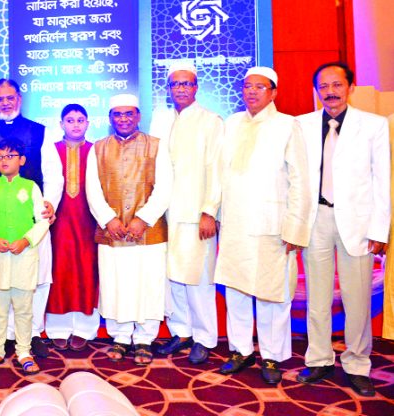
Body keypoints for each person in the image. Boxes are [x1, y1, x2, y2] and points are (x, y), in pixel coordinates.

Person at [209, 67, 311, 385]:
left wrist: (296, 228)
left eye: (260, 87)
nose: (252, 92)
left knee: (272, 293)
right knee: (236, 289)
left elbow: (300, 180)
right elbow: (218, 173)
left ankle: (271, 355)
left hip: (273, 224)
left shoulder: (287, 125)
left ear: (274, 92)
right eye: (247, 86)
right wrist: (211, 211)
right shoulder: (232, 123)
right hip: (236, 222)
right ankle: (240, 350)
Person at [295, 62, 390, 396]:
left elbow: (382, 180)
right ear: (316, 91)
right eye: (324, 86)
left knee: (357, 299)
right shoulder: (301, 125)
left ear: (350, 87)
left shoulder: (374, 126)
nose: (330, 92)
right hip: (316, 219)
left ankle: (357, 363)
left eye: (337, 84)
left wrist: (380, 230)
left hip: (359, 224)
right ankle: (319, 359)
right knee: (317, 299)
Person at [85, 93, 172, 366]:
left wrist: (142, 219)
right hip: (112, 232)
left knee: (148, 284)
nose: (123, 119)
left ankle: (145, 338)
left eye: (128, 114)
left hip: (149, 232)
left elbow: (165, 187)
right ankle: (121, 336)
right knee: (115, 283)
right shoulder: (97, 148)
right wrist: (108, 219)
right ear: (110, 118)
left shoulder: (156, 146)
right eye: (117, 114)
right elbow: (92, 189)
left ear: (138, 116)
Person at [0, 79, 62, 358]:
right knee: (1, 279)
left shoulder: (39, 131)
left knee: (36, 278)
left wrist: (50, 203)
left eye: (10, 97)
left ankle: (33, 332)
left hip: (34, 217)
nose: (5, 103)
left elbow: (53, 172)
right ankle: (6, 338)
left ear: (19, 98)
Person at [149, 63, 224, 364]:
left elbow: (216, 169)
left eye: (186, 84)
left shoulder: (211, 121)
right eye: (175, 84)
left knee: (198, 277)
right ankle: (181, 331)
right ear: (168, 89)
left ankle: (205, 336)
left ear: (196, 87)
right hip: (164, 213)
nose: (180, 88)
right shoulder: (161, 119)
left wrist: (210, 211)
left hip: (195, 213)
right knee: (172, 277)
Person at [0, 138, 50, 374]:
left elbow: (42, 220)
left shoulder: (31, 187)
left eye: (10, 156)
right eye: (0, 157)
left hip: (24, 255)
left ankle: (23, 351)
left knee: (24, 309)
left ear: (22, 160)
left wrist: (25, 240)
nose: (4, 161)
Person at [45, 104, 100, 351]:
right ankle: (58, 327)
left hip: (89, 220)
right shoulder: (51, 150)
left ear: (88, 123)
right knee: (60, 270)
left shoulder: (97, 150)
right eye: (70, 120)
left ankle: (85, 328)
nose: (75, 124)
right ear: (61, 124)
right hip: (59, 220)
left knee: (87, 270)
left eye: (80, 120)